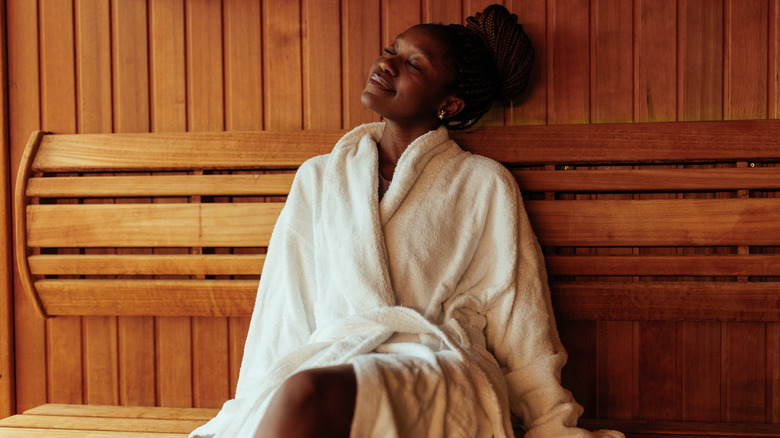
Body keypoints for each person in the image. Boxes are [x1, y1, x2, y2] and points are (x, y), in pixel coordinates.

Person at [191, 4, 623, 438]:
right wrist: (251, 403)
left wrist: (551, 423)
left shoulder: (483, 184)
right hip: (338, 362)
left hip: (437, 368)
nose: (386, 63)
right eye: (390, 50)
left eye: (413, 63)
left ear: (448, 103)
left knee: (306, 394)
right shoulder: (320, 178)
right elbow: (283, 309)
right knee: (300, 392)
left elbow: (520, 317)